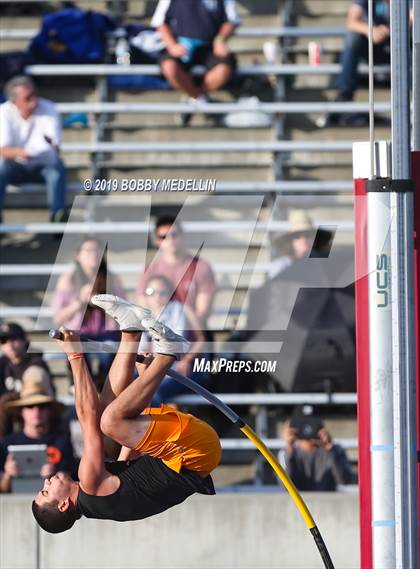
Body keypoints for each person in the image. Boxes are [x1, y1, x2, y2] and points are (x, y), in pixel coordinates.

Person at [31, 294, 222, 533]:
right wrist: (75, 355)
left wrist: (144, 377)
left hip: (198, 453)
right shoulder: (90, 482)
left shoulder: (100, 497)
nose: (46, 482)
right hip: (193, 451)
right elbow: (87, 417)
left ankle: (131, 332)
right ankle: (168, 353)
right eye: (46, 491)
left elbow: (130, 451)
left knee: (109, 435)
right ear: (63, 505)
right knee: (108, 422)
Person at [52, 236, 125, 390]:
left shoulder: (112, 279)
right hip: (80, 335)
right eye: (89, 250)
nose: (94, 254)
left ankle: (106, 389)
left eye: (97, 250)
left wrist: (105, 303)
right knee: (79, 350)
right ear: (78, 255)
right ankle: (82, 388)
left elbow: (124, 314)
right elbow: (58, 317)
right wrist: (80, 301)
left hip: (107, 335)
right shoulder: (68, 279)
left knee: (107, 352)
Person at [151, 0, 240, 126]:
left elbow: (232, 21)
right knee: (169, 67)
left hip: (210, 47)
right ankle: (200, 99)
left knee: (224, 68)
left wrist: (220, 40)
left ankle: (194, 99)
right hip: (181, 46)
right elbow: (159, 23)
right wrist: (172, 46)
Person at [0, 75, 68, 223]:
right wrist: (24, 152)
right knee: (1, 166)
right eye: (28, 97)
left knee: (56, 166)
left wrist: (22, 152)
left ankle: (57, 216)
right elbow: (2, 150)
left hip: (42, 167)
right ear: (14, 102)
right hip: (14, 168)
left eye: (34, 94)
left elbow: (54, 147)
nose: (34, 100)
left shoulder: (49, 108)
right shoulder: (3, 112)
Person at [0, 376, 77, 493]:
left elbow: (70, 484)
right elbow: (3, 490)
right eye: (30, 406)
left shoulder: (62, 442)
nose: (36, 411)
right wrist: (8, 475)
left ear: (49, 410)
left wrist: (54, 476)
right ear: (21, 411)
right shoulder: (6, 443)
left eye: (41, 406)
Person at [137, 216, 216, 329]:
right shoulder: (149, 270)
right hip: (157, 335)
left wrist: (178, 331)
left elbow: (202, 313)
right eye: (163, 236)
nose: (170, 240)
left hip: (192, 334)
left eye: (174, 234)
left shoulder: (202, 267)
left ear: (182, 235)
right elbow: (143, 309)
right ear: (157, 241)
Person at [141, 274, 208, 403]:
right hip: (153, 368)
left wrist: (187, 360)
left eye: (163, 292)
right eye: (152, 292)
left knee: (154, 393)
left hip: (181, 368)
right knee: (130, 388)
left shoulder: (182, 310)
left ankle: (153, 423)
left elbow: (202, 340)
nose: (157, 296)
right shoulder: (143, 316)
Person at [324, 0, 390, 127]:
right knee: (353, 36)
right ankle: (345, 93)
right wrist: (371, 30)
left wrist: (408, 21)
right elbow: (351, 21)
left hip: (404, 48)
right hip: (376, 47)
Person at [280, 407, 354, 491]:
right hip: (297, 503)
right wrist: (289, 449)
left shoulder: (335, 450)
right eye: (302, 424)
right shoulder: (287, 452)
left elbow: (345, 480)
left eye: (313, 423)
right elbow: (284, 485)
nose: (308, 429)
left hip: (327, 502)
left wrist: (330, 448)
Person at [268, 209, 333, 280]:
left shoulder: (323, 266)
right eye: (297, 235)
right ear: (290, 241)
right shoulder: (280, 267)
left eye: (307, 234)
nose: (303, 240)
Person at [0, 321, 54, 397]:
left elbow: (36, 400)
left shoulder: (36, 363)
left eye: (14, 339)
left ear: (25, 340)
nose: (10, 345)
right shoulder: (3, 363)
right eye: (4, 341)